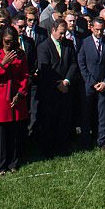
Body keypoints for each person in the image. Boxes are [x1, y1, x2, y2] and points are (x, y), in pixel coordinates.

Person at [0, 26, 30, 175]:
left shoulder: (21, 55)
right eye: (6, 42)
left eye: (12, 42)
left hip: (16, 97)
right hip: (0, 99)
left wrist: (20, 93)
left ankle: (13, 162)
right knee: (0, 134)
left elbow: (24, 75)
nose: (9, 45)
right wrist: (2, 64)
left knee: (14, 133)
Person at [35, 19, 79, 157]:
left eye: (64, 33)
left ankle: (63, 147)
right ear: (53, 30)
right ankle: (49, 150)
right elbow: (45, 68)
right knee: (50, 120)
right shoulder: (43, 47)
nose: (62, 36)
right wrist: (57, 84)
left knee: (64, 119)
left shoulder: (69, 45)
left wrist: (66, 81)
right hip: (50, 91)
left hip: (65, 88)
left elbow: (73, 64)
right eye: (60, 33)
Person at [77, 17, 105, 149]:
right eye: (97, 30)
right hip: (89, 84)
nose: (99, 33)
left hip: (103, 83)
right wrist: (91, 81)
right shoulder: (85, 43)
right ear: (91, 28)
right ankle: (86, 141)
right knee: (86, 113)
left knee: (102, 113)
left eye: (101, 30)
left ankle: (102, 140)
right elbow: (81, 63)